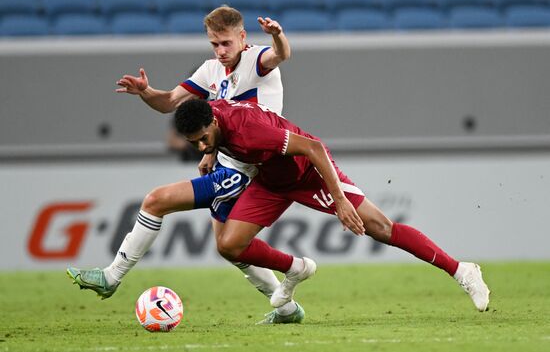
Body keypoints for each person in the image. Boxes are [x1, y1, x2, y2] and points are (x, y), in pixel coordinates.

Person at [67, 6, 303, 325]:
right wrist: (146, 92)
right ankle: (287, 309)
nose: (220, 51)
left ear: (242, 38)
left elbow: (281, 55)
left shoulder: (256, 60)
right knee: (230, 247)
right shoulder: (209, 71)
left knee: (156, 201)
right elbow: (168, 101)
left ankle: (111, 277)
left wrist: (277, 35)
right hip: (226, 164)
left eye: (226, 43)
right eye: (214, 44)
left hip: (249, 168)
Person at [171, 98, 491, 312]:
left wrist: (339, 200)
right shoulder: (209, 116)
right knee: (228, 245)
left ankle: (462, 271)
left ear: (213, 121)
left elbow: (313, 147)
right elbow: (206, 122)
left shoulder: (249, 132)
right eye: (194, 142)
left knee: (380, 228)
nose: (200, 145)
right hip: (270, 181)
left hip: (308, 174)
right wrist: (210, 150)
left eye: (203, 138)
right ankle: (296, 269)